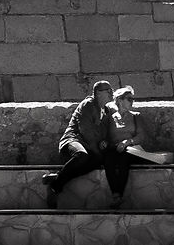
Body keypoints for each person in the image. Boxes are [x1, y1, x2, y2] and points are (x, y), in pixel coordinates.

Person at [43, 80, 129, 209]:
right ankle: (56, 186)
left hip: (90, 147)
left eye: (111, 90)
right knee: (82, 155)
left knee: (97, 161)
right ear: (98, 93)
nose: (112, 93)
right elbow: (85, 131)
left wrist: (104, 142)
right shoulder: (88, 105)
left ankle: (57, 180)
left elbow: (104, 135)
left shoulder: (105, 111)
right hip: (73, 141)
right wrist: (97, 150)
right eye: (108, 90)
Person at [110, 86, 172, 167]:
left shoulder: (135, 116)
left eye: (133, 99)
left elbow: (141, 136)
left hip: (131, 150)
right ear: (120, 100)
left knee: (126, 157)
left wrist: (127, 142)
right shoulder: (110, 118)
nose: (132, 102)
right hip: (116, 150)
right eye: (129, 99)